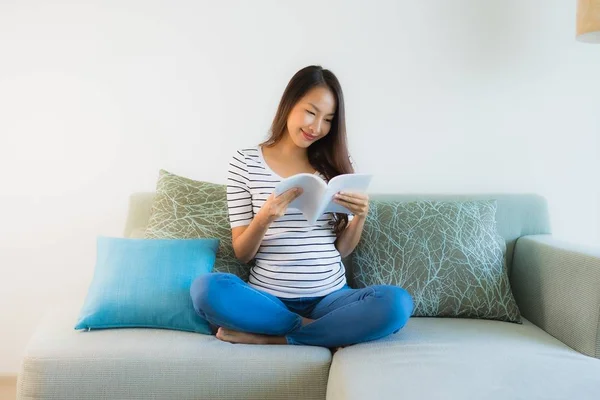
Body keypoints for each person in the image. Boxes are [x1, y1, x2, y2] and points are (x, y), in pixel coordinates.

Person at [190, 65, 413, 349]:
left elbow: (342, 250)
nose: (316, 128)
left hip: (331, 298)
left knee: (397, 303)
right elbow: (242, 253)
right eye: (311, 112)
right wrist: (264, 218)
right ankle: (319, 332)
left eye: (328, 119)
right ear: (289, 103)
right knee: (206, 289)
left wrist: (359, 217)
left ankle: (276, 338)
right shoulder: (244, 163)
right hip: (270, 300)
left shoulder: (336, 166)